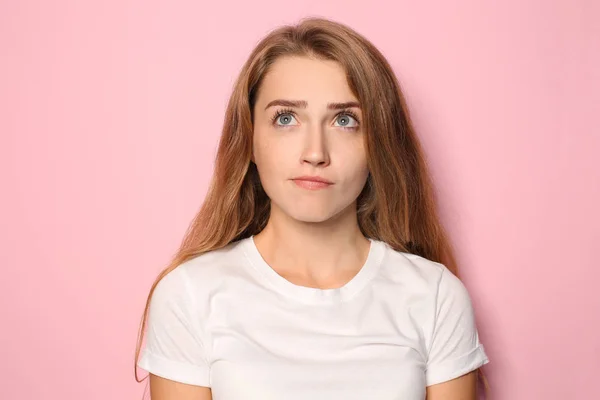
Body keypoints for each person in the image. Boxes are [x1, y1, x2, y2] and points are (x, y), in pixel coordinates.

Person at [134, 16, 490, 400]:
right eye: (286, 119)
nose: (315, 153)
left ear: (379, 144)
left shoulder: (435, 297)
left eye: (344, 120)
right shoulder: (189, 294)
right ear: (250, 140)